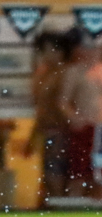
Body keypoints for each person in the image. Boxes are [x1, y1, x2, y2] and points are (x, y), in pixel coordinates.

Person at [26, 31, 71, 204]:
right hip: (47, 131)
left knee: (55, 178)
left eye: (47, 50)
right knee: (48, 178)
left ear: (59, 51)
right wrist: (33, 135)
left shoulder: (65, 73)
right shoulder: (44, 73)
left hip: (60, 132)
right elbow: (41, 108)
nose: (43, 55)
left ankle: (60, 210)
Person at [57, 31, 102, 197]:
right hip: (85, 129)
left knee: (98, 175)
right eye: (87, 48)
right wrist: (74, 118)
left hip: (100, 129)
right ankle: (75, 205)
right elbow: (63, 102)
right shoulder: (74, 72)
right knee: (79, 173)